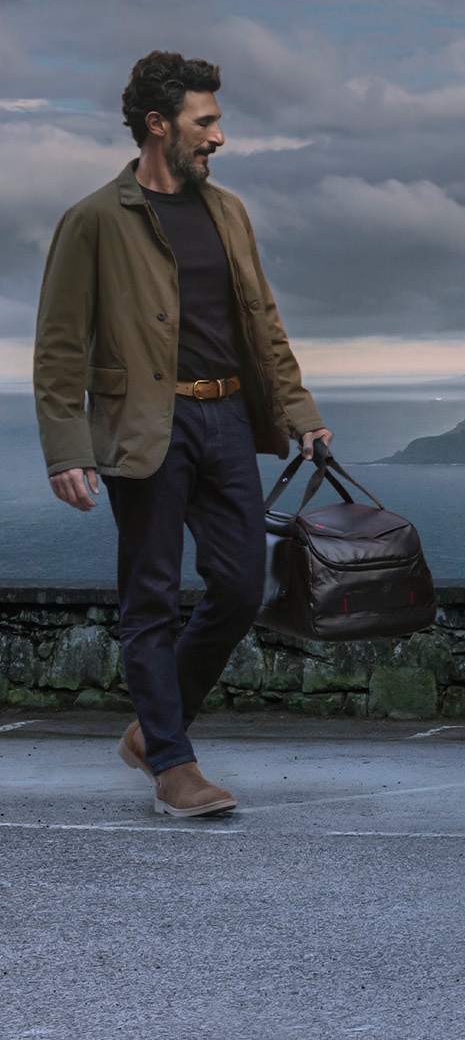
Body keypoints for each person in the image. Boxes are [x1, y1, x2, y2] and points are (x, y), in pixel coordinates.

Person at [33, 51, 332, 818]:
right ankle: (172, 764)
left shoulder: (228, 211)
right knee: (151, 598)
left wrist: (299, 412)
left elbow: (264, 322)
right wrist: (67, 447)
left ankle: (152, 731)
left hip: (229, 417)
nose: (219, 136)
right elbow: (61, 343)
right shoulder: (96, 219)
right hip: (145, 426)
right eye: (206, 121)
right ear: (158, 127)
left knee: (240, 586)